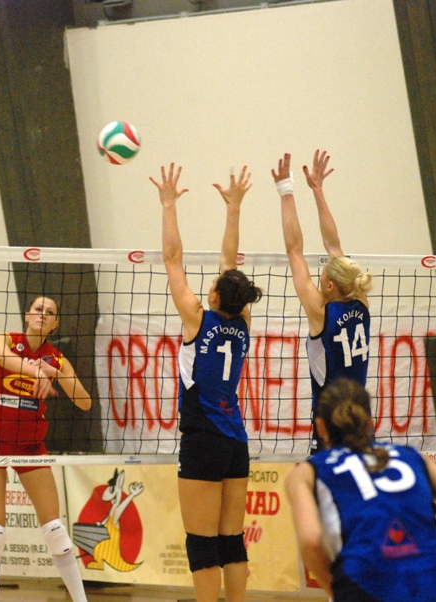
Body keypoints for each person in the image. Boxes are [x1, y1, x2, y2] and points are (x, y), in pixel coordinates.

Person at [151, 163, 263, 602]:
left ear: (214, 295)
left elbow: (172, 258)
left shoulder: (197, 319)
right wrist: (234, 209)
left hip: (202, 437)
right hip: (235, 439)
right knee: (230, 540)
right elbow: (230, 264)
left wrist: (168, 204)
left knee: (201, 543)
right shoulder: (243, 321)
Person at [284, 378, 436, 601]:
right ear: (370, 423)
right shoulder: (412, 456)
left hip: (363, 585)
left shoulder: (307, 472)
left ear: (320, 426)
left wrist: (335, 589)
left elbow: (311, 541)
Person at [0, 295, 93, 602]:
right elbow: (2, 357)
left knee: (56, 531)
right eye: (38, 309)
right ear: (27, 315)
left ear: (54, 324)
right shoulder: (6, 340)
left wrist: (55, 373)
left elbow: (84, 402)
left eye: (50, 312)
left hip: (29, 445)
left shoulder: (57, 359)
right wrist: (35, 371)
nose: (43, 314)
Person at [272, 150, 372, 453]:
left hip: (330, 422)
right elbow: (334, 245)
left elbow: (294, 249)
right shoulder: (361, 302)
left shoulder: (321, 313)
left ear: (329, 286)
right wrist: (317, 190)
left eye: (322, 275)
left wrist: (286, 191)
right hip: (360, 418)